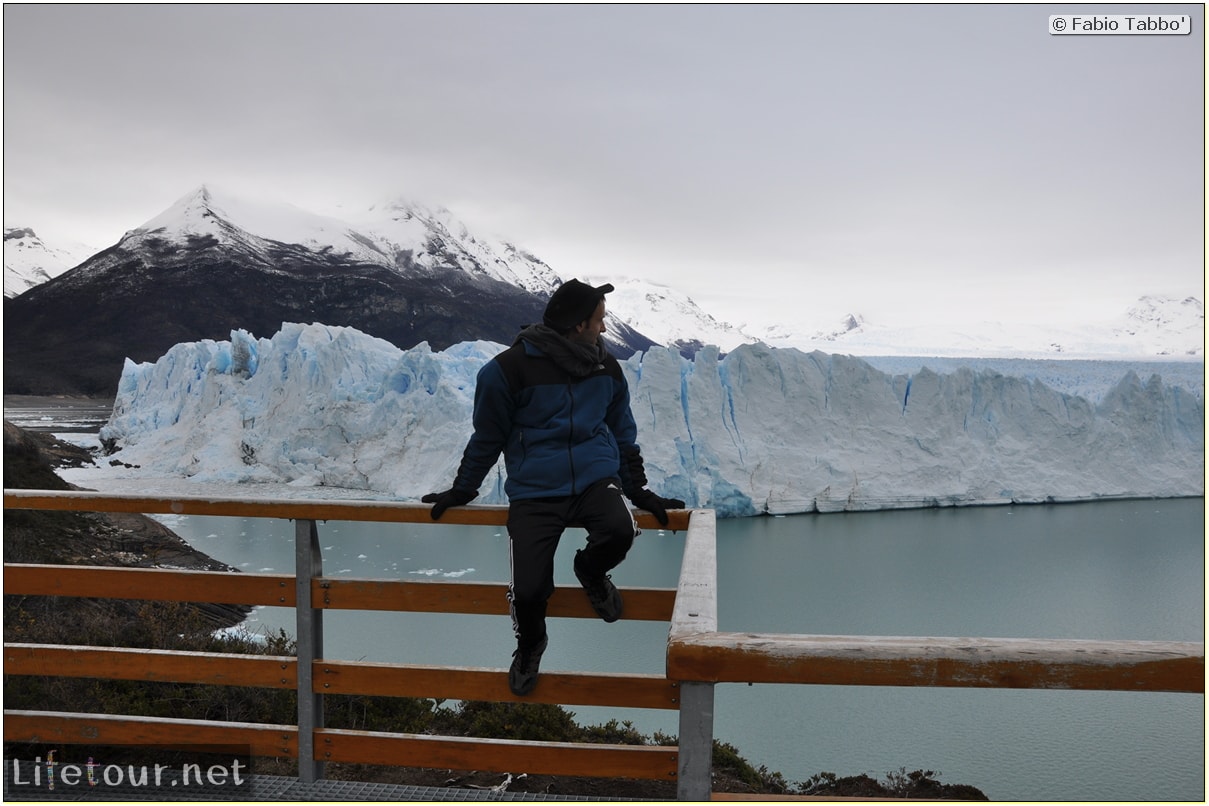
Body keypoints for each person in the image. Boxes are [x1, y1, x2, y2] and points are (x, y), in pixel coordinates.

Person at [423, 278, 685, 696]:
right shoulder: (507, 371)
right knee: (528, 591)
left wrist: (637, 490)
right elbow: (487, 436)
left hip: (594, 480)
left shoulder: (607, 369)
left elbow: (622, 434)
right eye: (599, 320)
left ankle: (591, 571)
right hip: (535, 489)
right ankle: (530, 644)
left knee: (620, 530)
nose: (603, 328)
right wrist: (463, 489)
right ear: (579, 324)